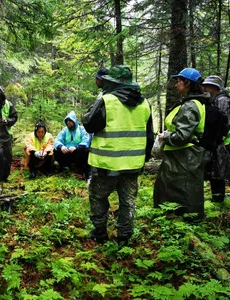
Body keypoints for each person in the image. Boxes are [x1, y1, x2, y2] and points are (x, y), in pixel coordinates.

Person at [82, 65, 153, 245]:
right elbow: (149, 137)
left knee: (98, 197)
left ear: (112, 83)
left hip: (107, 164)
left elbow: (89, 124)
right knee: (128, 201)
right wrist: (142, 159)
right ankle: (124, 237)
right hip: (133, 164)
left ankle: (99, 234)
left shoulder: (107, 101)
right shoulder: (145, 104)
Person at [154, 68, 208, 220]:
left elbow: (182, 136)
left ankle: (188, 221)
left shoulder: (191, 105)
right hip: (179, 156)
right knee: (174, 189)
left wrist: (165, 136)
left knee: (186, 191)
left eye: (179, 80)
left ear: (188, 83)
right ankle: (174, 219)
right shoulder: (187, 103)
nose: (176, 84)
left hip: (185, 156)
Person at [202, 75, 230, 202]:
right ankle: (216, 198)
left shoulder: (222, 101)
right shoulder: (215, 99)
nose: (204, 89)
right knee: (214, 171)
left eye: (207, 86)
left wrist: (216, 138)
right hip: (217, 141)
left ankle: (218, 199)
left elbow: (223, 122)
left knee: (218, 172)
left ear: (213, 87)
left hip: (222, 143)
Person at [53, 111, 91, 179]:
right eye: (67, 121)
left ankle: (82, 170)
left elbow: (86, 141)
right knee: (56, 151)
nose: (68, 122)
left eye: (70, 121)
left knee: (86, 151)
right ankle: (64, 167)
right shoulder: (65, 130)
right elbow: (57, 140)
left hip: (78, 152)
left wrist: (76, 147)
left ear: (74, 121)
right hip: (66, 152)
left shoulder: (81, 129)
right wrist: (61, 147)